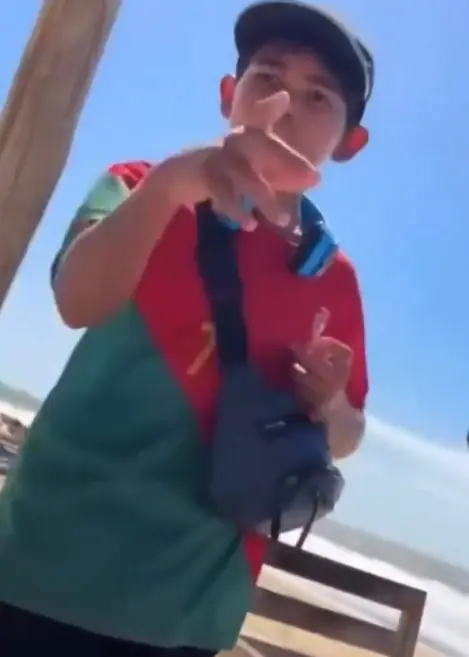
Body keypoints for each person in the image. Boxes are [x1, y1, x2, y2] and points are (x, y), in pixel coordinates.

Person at [0, 1, 372, 655]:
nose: (284, 104)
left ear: (349, 143)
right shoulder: (138, 184)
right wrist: (171, 186)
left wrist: (331, 402)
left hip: (192, 607)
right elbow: (76, 301)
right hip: (42, 564)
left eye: (318, 96)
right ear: (229, 94)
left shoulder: (331, 276)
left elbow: (347, 436)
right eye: (266, 77)